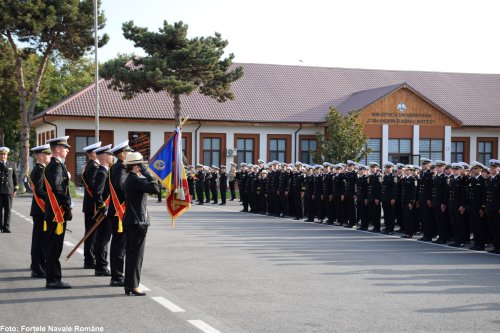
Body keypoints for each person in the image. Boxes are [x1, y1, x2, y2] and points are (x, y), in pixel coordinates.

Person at [123, 152, 159, 296]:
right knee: (136, 255)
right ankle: (133, 285)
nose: (144, 167)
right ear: (137, 166)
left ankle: (129, 285)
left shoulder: (131, 179)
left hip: (133, 220)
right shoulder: (135, 180)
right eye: (142, 165)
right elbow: (156, 190)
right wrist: (148, 175)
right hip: (137, 221)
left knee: (132, 254)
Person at [44, 136, 72, 289]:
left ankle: (53, 278)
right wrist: (67, 202)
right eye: (65, 147)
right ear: (58, 149)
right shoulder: (55, 166)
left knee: (55, 246)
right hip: (56, 212)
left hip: (55, 211)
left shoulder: (56, 164)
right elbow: (56, 187)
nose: (68, 150)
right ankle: (53, 279)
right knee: (54, 247)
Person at [107, 140, 134, 287]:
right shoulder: (121, 169)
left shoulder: (116, 167)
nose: (131, 154)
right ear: (123, 154)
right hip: (119, 212)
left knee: (118, 245)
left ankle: (116, 275)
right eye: (129, 152)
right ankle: (117, 276)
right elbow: (123, 187)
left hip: (117, 211)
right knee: (119, 246)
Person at [29, 144, 51, 278]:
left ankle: (37, 266)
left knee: (40, 240)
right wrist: (52, 199)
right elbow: (39, 190)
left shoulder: (40, 169)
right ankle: (37, 269)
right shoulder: (39, 170)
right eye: (48, 154)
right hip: (40, 209)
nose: (50, 156)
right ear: (42, 156)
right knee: (40, 241)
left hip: (39, 209)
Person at [92, 144, 114, 277]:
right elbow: (97, 193)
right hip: (104, 212)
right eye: (110, 155)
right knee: (103, 240)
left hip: (105, 210)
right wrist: (103, 208)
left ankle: (101, 265)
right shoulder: (101, 172)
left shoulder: (105, 171)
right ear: (104, 157)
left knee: (103, 239)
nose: (112, 157)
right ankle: (101, 266)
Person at [81, 141, 102, 269]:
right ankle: (89, 260)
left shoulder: (91, 165)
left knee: (91, 232)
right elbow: (95, 187)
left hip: (90, 204)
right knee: (91, 233)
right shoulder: (93, 167)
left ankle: (89, 258)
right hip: (93, 205)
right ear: (93, 153)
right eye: (98, 151)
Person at [0, 146, 18, 233]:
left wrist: (15, 189)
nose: (3, 156)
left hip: (8, 190)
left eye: (4, 154)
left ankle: (6, 227)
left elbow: (15, 177)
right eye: (1, 154)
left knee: (8, 210)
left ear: (7, 155)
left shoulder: (12, 164)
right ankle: (0, 226)